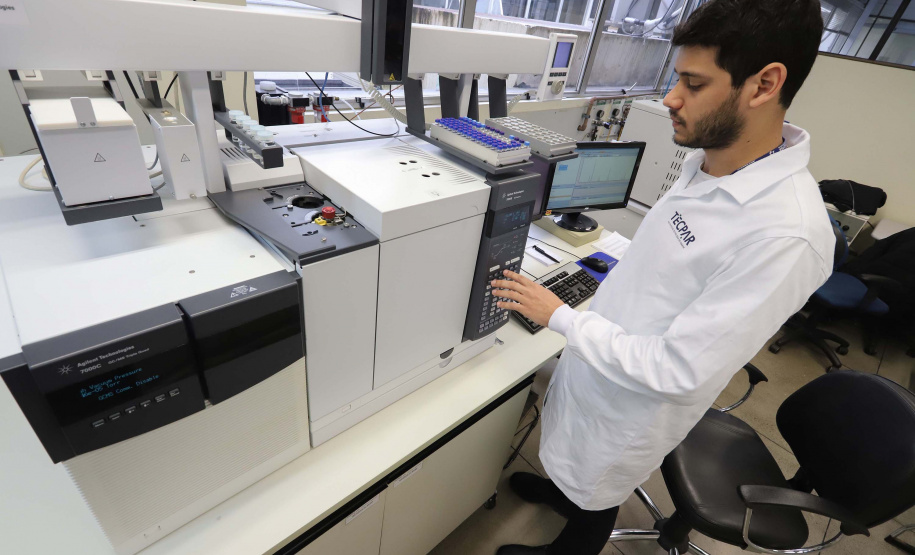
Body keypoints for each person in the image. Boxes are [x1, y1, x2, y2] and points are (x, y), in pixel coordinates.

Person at [493, 1, 833, 553]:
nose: (671, 98)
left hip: (631, 404)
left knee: (598, 487)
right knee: (570, 459)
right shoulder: (709, 163)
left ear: (764, 84)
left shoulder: (786, 235)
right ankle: (564, 493)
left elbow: (678, 372)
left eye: (693, 83)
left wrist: (557, 316)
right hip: (600, 357)